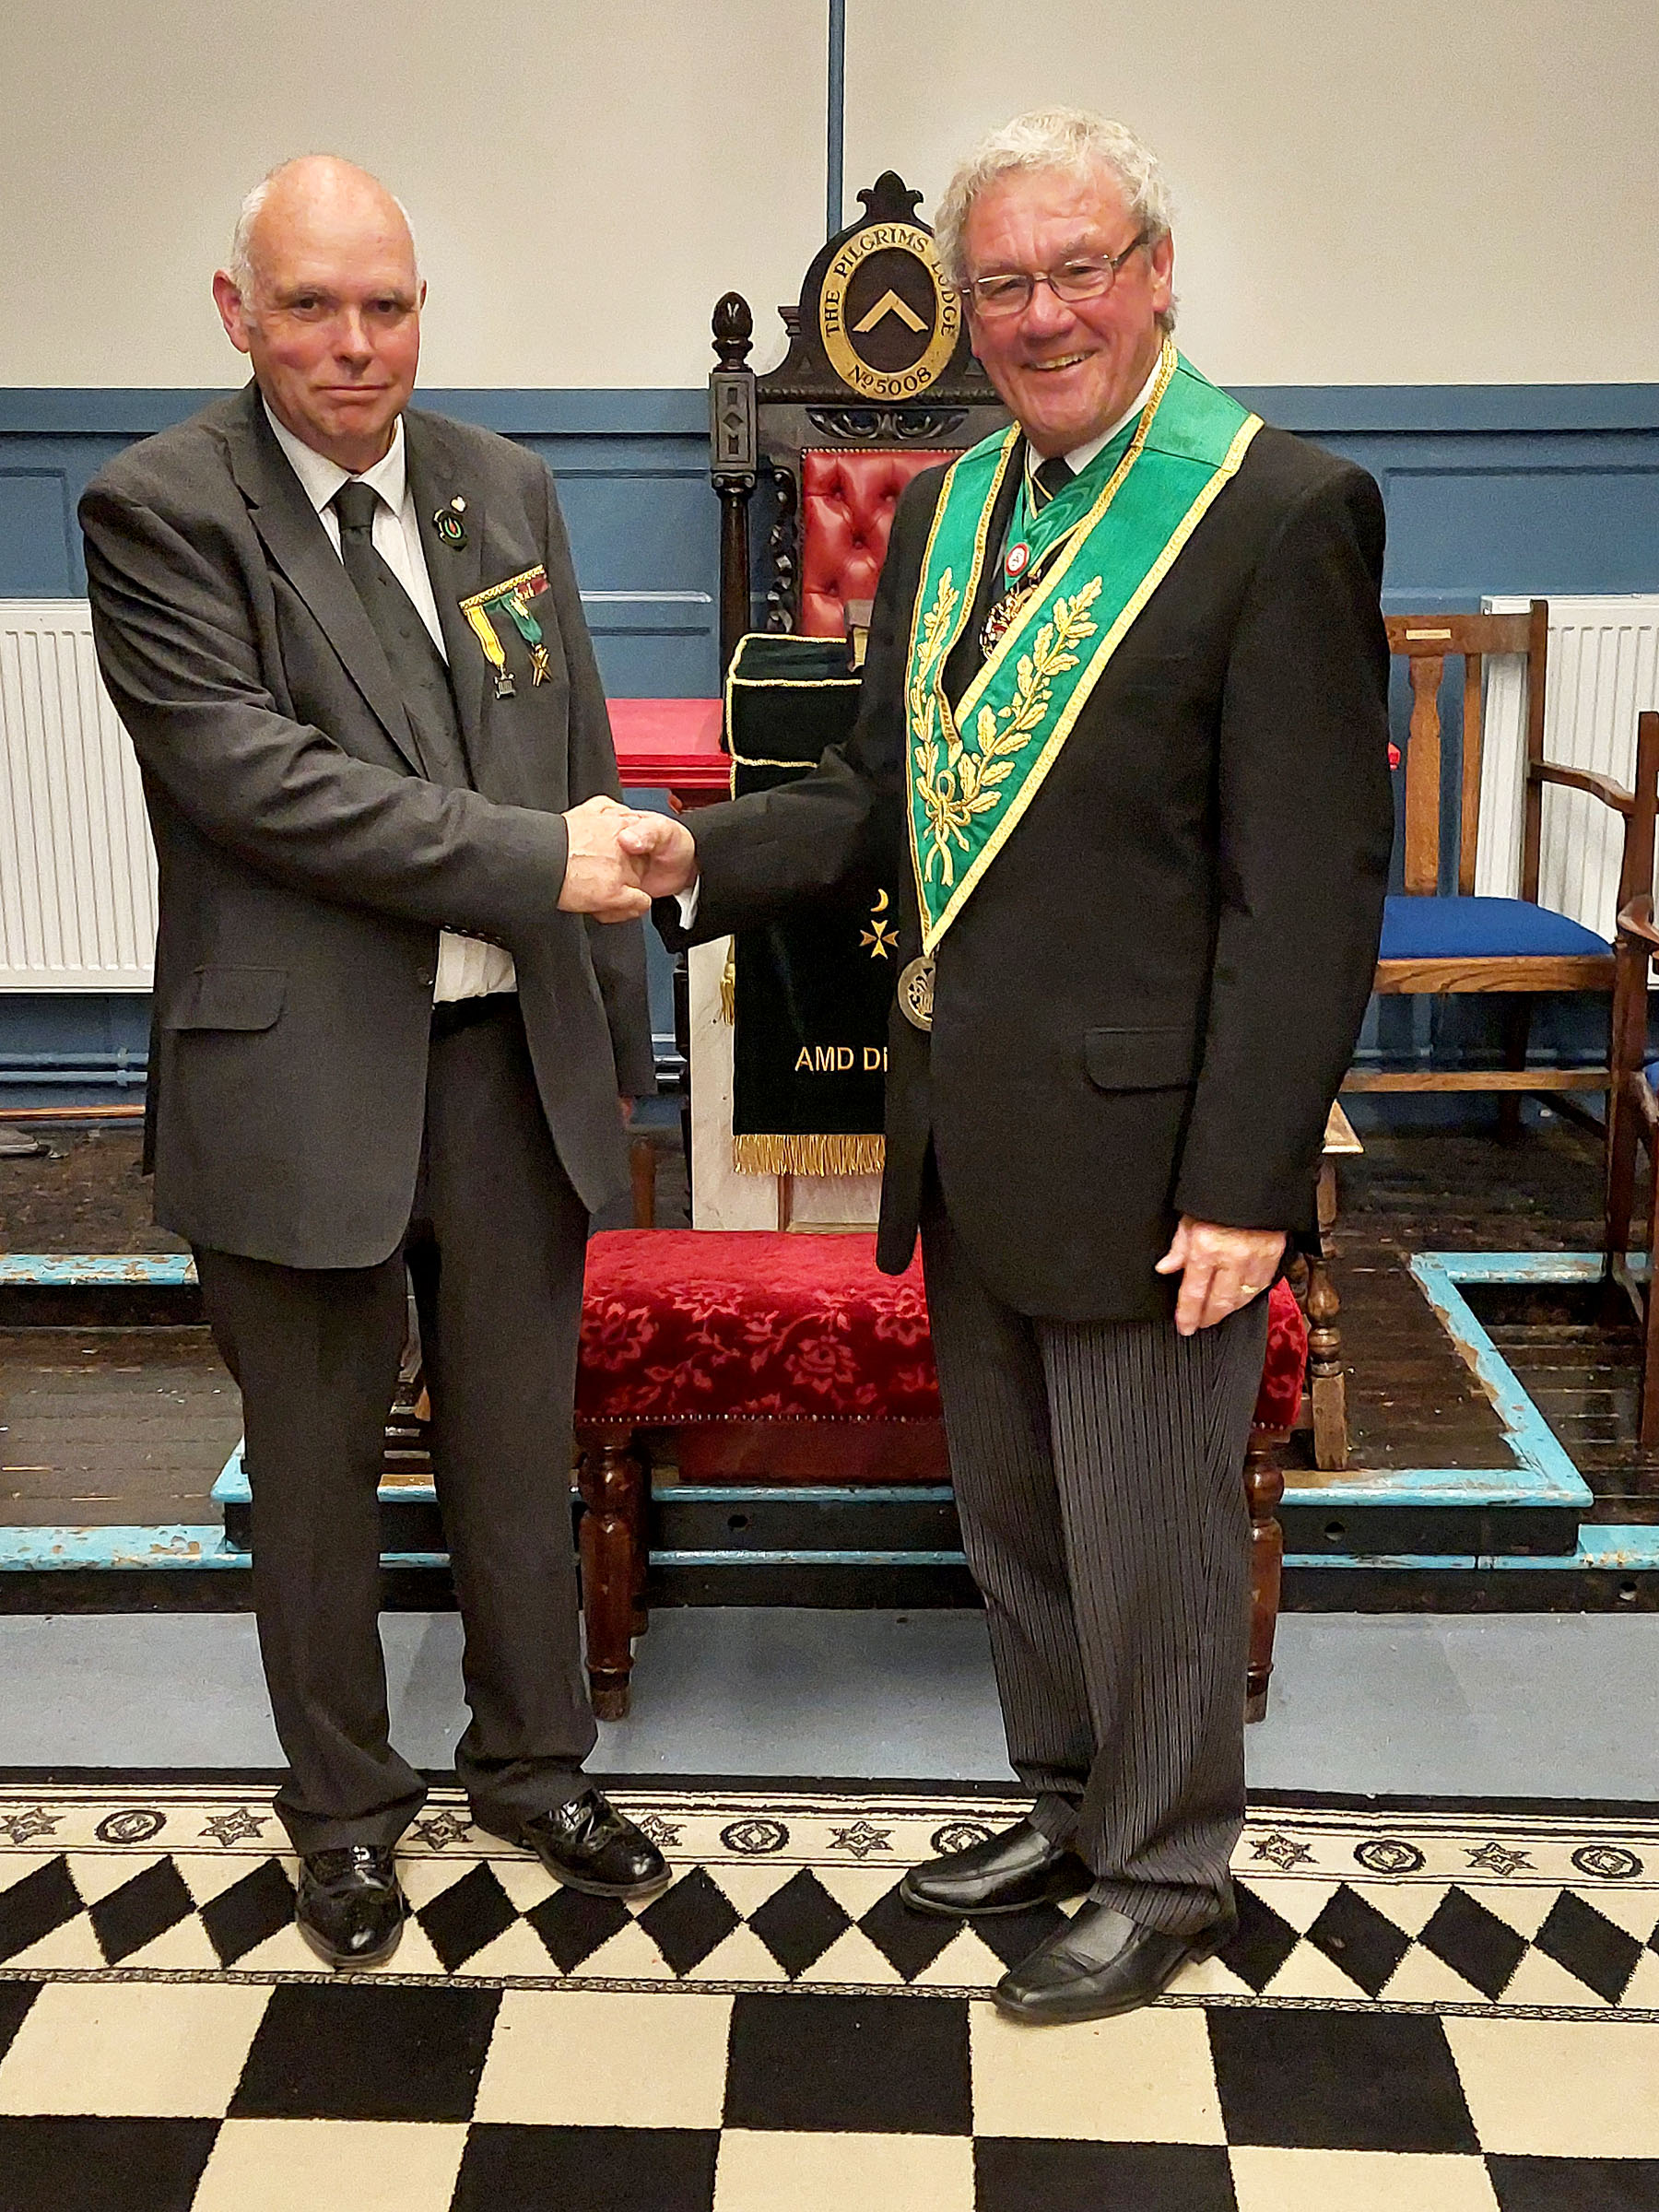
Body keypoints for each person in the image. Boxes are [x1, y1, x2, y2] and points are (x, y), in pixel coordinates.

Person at [617, 108, 1394, 2023]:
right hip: (966, 1122)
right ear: (965, 307)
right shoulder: (962, 501)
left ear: (1153, 275)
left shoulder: (1274, 511)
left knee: (1151, 1535)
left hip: (1154, 1156)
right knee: (1022, 1520)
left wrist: (1248, 1182)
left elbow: (1304, 897)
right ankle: (1066, 1804)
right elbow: (886, 794)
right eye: (1006, 282)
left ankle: (1167, 1869)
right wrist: (698, 852)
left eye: (1079, 271)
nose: (1044, 314)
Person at [79, 156, 670, 1970]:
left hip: (511, 1058)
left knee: (516, 1449)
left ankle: (532, 1762)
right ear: (235, 310)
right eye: (316, 306)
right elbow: (260, 785)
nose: (357, 345)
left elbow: (560, 740)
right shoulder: (160, 510)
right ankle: (340, 1810)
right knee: (318, 1471)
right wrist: (536, 859)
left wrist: (616, 1002)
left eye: (389, 304)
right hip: (298, 1079)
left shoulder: (508, 489)